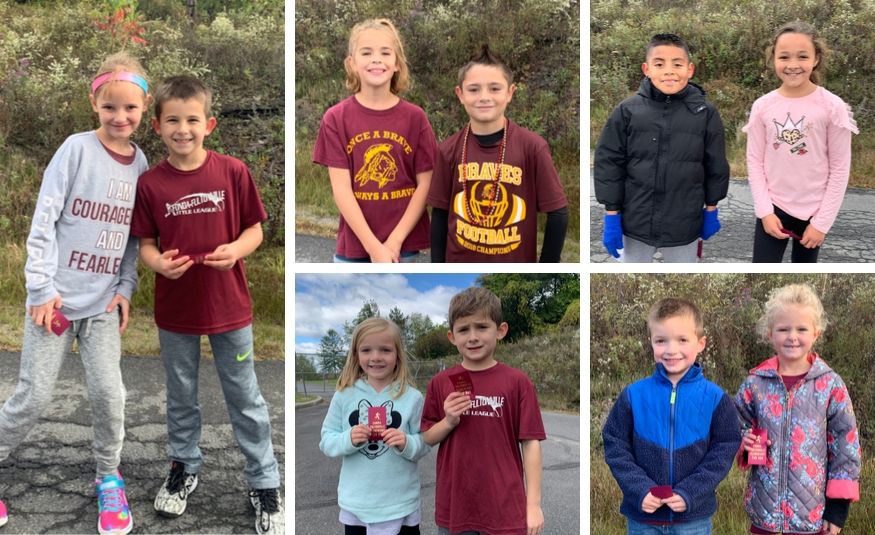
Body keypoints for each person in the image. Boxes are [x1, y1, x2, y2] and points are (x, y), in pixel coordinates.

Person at [0, 52, 149, 535]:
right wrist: (41, 288)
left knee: (110, 394)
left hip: (102, 305)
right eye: (110, 107)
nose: (119, 117)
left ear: (144, 108)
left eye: (130, 108)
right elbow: (43, 223)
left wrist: (126, 287)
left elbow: (133, 236)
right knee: (33, 396)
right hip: (54, 304)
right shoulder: (76, 149)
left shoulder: (142, 162)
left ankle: (109, 476)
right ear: (95, 103)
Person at [129, 75, 283, 535]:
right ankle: (183, 468)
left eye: (192, 119)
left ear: (209, 123)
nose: (183, 129)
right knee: (181, 396)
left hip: (228, 308)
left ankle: (264, 481)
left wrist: (236, 250)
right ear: (156, 126)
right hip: (176, 311)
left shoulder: (232, 171)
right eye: (172, 120)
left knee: (245, 397)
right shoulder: (150, 184)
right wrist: (159, 264)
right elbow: (146, 244)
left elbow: (255, 229)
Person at [602, 298, 740, 534]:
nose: (671, 350)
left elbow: (724, 449)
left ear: (701, 343)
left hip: (692, 520)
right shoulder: (634, 395)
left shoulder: (716, 398)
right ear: (651, 342)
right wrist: (640, 489)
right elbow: (615, 445)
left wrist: (691, 492)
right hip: (643, 518)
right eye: (661, 341)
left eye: (682, 340)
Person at [735, 284, 860, 534]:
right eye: (783, 329)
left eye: (801, 329)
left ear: (816, 333)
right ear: (770, 334)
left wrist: (837, 510)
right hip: (764, 515)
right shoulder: (755, 383)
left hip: (811, 517)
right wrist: (744, 443)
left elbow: (846, 446)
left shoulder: (830, 385)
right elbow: (733, 426)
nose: (792, 336)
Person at [594, 33, 730, 263]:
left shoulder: (705, 113)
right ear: (646, 69)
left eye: (677, 64)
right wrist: (611, 214)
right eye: (659, 64)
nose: (669, 71)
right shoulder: (627, 111)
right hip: (634, 223)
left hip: (684, 226)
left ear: (690, 70)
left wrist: (711, 207)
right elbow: (609, 163)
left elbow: (715, 165)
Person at [427, 44, 569, 263]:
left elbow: (558, 212)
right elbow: (440, 214)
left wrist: (546, 266)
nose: (484, 97)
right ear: (460, 94)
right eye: (474, 89)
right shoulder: (448, 149)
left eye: (494, 88)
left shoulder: (532, 147)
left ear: (510, 93)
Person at [421, 287, 546, 535]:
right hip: (456, 507)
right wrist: (448, 421)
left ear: (500, 331)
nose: (473, 337)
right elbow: (426, 437)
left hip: (505, 507)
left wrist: (533, 505)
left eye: (481, 327)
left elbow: (531, 444)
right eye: (463, 330)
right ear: (451, 337)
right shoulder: (440, 382)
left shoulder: (518, 382)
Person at [313, 18, 437, 263]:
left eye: (385, 52)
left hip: (403, 246)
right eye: (366, 52)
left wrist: (394, 241)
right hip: (355, 245)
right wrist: (373, 247)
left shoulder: (415, 118)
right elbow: (341, 190)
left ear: (397, 64)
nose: (376, 59)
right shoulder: (336, 118)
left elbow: (426, 184)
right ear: (352, 63)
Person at [743, 22, 858, 263]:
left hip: (814, 214)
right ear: (773, 59)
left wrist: (822, 223)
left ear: (816, 59)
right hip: (774, 209)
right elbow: (754, 161)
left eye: (802, 56)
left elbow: (839, 169)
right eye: (784, 56)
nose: (793, 65)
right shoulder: (763, 107)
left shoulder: (832, 106)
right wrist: (765, 211)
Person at [319, 317, 431, 534]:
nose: (376, 357)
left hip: (400, 504)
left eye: (385, 350)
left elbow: (425, 441)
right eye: (367, 350)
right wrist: (348, 438)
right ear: (356, 355)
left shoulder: (413, 397)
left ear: (398, 354)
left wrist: (406, 443)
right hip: (357, 505)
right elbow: (326, 440)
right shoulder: (344, 395)